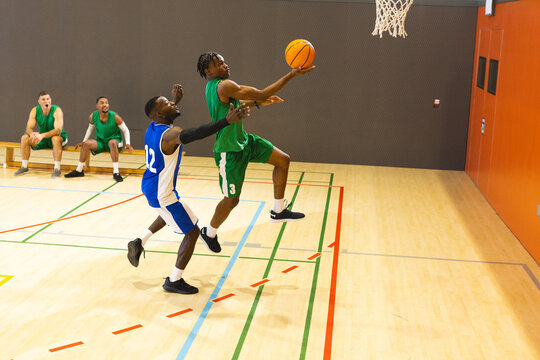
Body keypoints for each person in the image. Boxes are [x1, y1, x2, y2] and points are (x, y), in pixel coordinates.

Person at [127, 84, 249, 294]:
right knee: (192, 233)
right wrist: (226, 121)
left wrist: (174, 102)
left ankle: (139, 241)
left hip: (152, 185)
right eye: (167, 103)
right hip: (161, 192)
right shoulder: (170, 135)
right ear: (158, 113)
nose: (172, 103)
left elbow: (165, 117)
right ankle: (174, 280)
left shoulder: (153, 127)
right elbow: (196, 133)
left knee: (171, 214)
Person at [195, 51, 314, 247]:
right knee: (232, 200)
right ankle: (209, 233)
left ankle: (278, 210)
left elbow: (241, 102)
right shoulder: (225, 85)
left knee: (283, 160)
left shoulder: (215, 87)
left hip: (244, 142)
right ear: (208, 70)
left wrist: (258, 103)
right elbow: (261, 92)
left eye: (225, 61)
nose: (225, 65)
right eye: (219, 64)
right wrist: (291, 75)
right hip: (229, 151)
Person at [64, 96, 133, 182]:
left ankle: (116, 172)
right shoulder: (93, 116)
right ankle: (79, 170)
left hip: (115, 142)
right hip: (101, 142)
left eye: (107, 103)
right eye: (102, 103)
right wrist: (84, 141)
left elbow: (126, 130)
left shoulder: (115, 116)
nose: (105, 104)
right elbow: (90, 129)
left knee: (112, 143)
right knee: (87, 144)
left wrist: (128, 143)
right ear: (97, 106)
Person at [15, 91, 68, 178]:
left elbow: (58, 130)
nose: (46, 101)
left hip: (59, 138)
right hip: (43, 138)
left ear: (50, 100)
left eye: (48, 99)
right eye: (43, 99)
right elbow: (28, 127)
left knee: (55, 138)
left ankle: (57, 169)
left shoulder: (57, 110)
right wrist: (31, 134)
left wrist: (41, 135)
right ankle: (24, 167)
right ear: (39, 102)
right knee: (24, 138)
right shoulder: (35, 110)